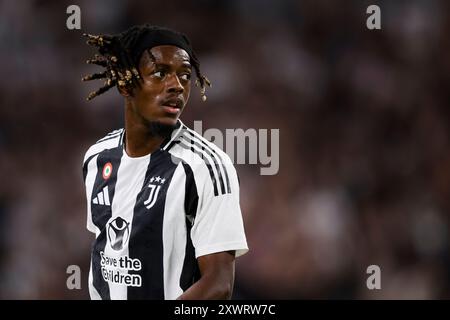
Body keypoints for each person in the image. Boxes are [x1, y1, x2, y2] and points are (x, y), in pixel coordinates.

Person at [81, 24, 248, 300]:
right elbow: (108, 255)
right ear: (125, 83)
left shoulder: (206, 166)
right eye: (160, 73)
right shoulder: (96, 158)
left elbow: (219, 285)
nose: (177, 86)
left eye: (184, 76)